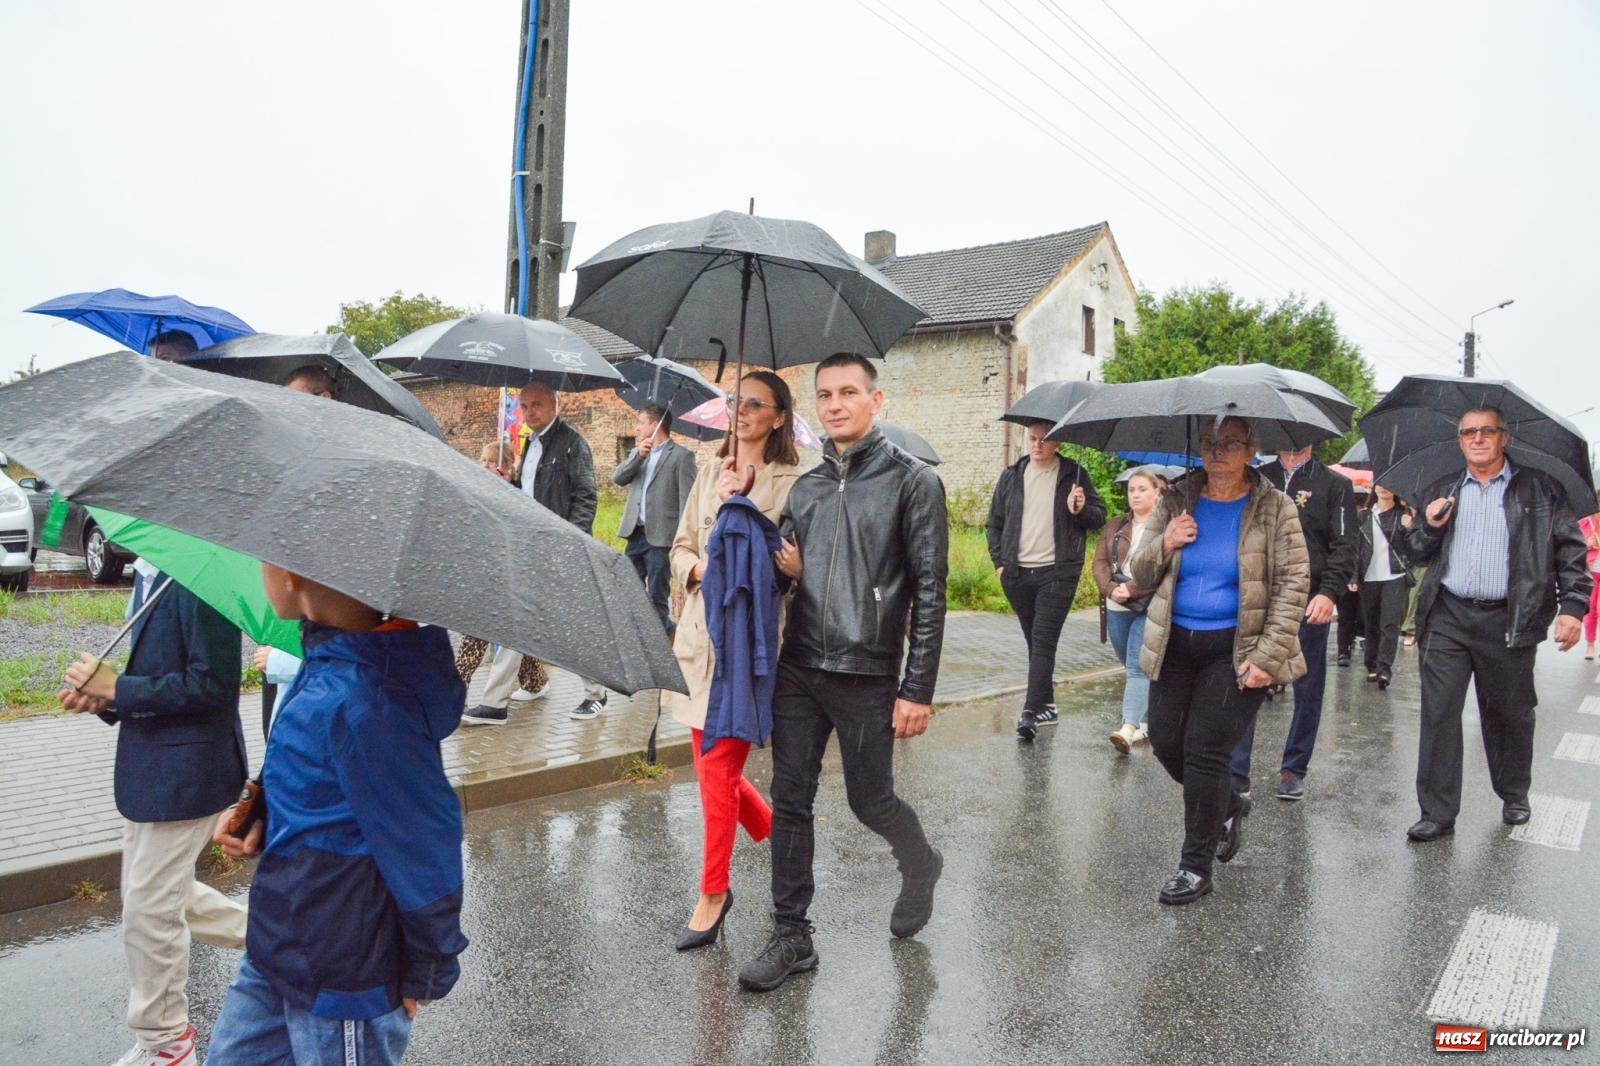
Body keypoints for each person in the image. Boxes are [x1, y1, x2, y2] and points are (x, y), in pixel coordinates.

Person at [739, 353, 947, 993]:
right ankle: (792, 935)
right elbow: (775, 574)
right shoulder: (806, 487)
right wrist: (741, 513)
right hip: (801, 665)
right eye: (825, 394)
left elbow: (931, 590)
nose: (835, 404)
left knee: (869, 799)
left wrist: (917, 688)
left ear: (874, 401)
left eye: (848, 392)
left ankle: (920, 861)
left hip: (868, 669)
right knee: (791, 800)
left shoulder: (913, 482)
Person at [207, 564, 467, 1064]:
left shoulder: (369, 700)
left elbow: (426, 838)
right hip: (278, 938)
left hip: (344, 972)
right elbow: (320, 768)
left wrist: (429, 967)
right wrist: (262, 804)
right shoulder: (328, 659)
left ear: (289, 575)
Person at [59, 575, 248, 1066]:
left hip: (188, 773)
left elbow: (215, 684)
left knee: (148, 909)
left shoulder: (199, 578)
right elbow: (159, 677)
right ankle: (287, 939)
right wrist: (107, 698)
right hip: (152, 771)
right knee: (165, 895)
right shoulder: (154, 573)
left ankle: (168, 1042)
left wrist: (115, 685)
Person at [1127, 416, 1309, 904]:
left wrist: (1268, 656)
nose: (1216, 452)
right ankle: (1229, 803)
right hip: (1175, 643)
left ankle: (1195, 865)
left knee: (1205, 751)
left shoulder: (1276, 507)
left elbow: (1293, 585)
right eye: (1208, 443)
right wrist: (1166, 542)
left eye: (1229, 443)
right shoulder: (1176, 499)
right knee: (1166, 742)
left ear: (1251, 449)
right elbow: (1138, 573)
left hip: (1237, 648)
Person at [1402, 408, 1591, 842]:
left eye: (1487, 431)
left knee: (1510, 713)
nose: (1478, 438)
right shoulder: (1444, 488)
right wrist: (1429, 527)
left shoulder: (1540, 488)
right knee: (1440, 714)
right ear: (1460, 440)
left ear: (1503, 438)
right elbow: (1413, 552)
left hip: (1510, 618)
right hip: (1448, 614)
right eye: (1469, 432)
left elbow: (1570, 551)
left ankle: (1514, 793)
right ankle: (1437, 812)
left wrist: (1573, 608)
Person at [665, 372, 803, 951]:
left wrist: (791, 570)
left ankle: (714, 892)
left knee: (717, 770)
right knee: (711, 767)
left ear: (777, 416)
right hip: (698, 642)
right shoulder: (705, 471)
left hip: (749, 650)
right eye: (733, 401)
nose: (740, 410)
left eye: (754, 403)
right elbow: (679, 550)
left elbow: (796, 565)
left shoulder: (796, 483)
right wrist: (695, 570)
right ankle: (778, 835)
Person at [464, 382, 599, 725]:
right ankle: (495, 703)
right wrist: (505, 483)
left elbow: (586, 496)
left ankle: (597, 694)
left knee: (574, 627)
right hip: (531, 547)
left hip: (561, 548)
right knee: (514, 620)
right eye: (524, 406)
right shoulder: (530, 443)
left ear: (555, 404)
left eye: (536, 405)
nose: (529, 412)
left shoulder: (571, 444)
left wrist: (572, 541)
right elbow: (529, 496)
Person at [1230, 442, 1356, 803]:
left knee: (1307, 685)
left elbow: (1345, 545)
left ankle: (1293, 768)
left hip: (1309, 597)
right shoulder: (1257, 479)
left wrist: (1329, 593)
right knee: (1245, 678)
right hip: (1257, 595)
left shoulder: (1334, 485)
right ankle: (1237, 771)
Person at [986, 420, 1106, 740]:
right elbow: (994, 523)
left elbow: (1098, 517)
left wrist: (1080, 509)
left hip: (1058, 572)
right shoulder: (1011, 476)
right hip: (1016, 574)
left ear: (1059, 443)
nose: (1037, 444)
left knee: (1042, 641)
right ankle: (1048, 704)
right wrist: (1000, 563)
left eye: (1045, 439)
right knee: (1036, 642)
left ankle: (1030, 713)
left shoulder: (1073, 475)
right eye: (1033, 438)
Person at [454, 441, 550, 699]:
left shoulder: (515, 493)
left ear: (506, 468)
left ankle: (453, 691)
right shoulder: (476, 491)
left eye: (490, 461)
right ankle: (535, 682)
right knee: (512, 639)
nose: (484, 465)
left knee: (476, 634)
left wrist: (505, 487)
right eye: (482, 460)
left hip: (509, 575)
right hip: (484, 574)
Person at [1092, 467, 1163, 753]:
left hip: (1149, 605)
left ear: (1157, 493)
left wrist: (1132, 589)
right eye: (1132, 489)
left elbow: (1164, 567)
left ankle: (1128, 728)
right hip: (1116, 605)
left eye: (1142, 489)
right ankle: (1147, 720)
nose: (1135, 494)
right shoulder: (1115, 525)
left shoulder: (1165, 528)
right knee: (1131, 663)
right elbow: (1098, 563)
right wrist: (1111, 590)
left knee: (1136, 665)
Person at [614, 404, 698, 639]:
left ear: (655, 424)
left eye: (641, 422)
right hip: (635, 534)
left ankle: (661, 649)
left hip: (662, 538)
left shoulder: (682, 457)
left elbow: (688, 503)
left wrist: (684, 541)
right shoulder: (638, 452)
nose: (637, 428)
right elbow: (618, 478)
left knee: (657, 597)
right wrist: (637, 458)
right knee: (626, 589)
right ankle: (667, 634)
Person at [1357, 483, 1412, 690]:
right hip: (1369, 576)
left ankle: (1384, 669)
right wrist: (1353, 577)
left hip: (1394, 575)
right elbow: (1356, 547)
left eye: (1389, 485)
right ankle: (1371, 663)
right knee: (1370, 623)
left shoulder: (1403, 515)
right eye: (1379, 484)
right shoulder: (1364, 516)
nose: (1384, 488)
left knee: (1389, 624)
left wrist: (1408, 529)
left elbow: (1412, 548)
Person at [1334, 488, 1369, 667]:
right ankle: (1345, 650)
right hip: (1352, 575)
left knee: (1347, 617)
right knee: (1351, 615)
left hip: (1352, 575)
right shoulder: (1348, 522)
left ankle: (1344, 651)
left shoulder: (1360, 521)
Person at [1581, 491, 1600, 660]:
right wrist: (1586, 544)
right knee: (1591, 608)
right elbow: (1573, 545)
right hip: (1591, 571)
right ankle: (1590, 644)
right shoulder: (1585, 523)